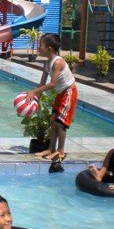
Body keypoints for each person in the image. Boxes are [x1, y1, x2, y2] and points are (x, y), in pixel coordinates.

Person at [25, 33, 77, 162]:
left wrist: (33, 92)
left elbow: (52, 83)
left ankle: (60, 151)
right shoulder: (47, 63)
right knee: (53, 120)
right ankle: (51, 148)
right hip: (61, 93)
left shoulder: (57, 62)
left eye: (41, 45)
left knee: (61, 123)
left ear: (50, 48)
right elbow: (42, 83)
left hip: (69, 92)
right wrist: (35, 101)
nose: (38, 48)